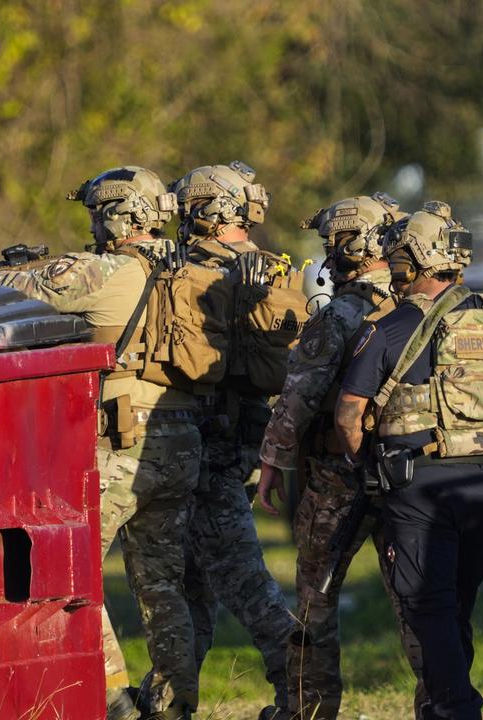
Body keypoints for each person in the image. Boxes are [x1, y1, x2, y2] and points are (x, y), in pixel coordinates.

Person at [0, 166, 203, 720]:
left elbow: (13, 288)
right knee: (162, 582)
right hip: (183, 435)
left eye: (98, 213)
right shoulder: (192, 269)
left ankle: (111, 696)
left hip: (122, 439)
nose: (93, 224)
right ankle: (174, 701)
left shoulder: (107, 270)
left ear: (120, 215)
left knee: (76, 572)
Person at [334, 202, 483, 720]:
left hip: (420, 487)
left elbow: (349, 413)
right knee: (457, 604)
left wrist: (365, 465)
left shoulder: (390, 326)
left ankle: (456, 708)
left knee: (428, 607)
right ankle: (447, 705)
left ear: (411, 262)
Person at [255, 193, 424, 719]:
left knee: (314, 600)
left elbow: (298, 398)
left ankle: (310, 710)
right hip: (408, 475)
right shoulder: (421, 309)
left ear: (341, 246)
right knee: (417, 601)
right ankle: (441, 702)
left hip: (338, 479)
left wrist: (272, 463)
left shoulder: (340, 315)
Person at [168, 162, 300, 720]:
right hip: (238, 440)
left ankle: (304, 691)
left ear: (202, 210)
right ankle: (173, 700)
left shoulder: (189, 273)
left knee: (241, 580)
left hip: (204, 447)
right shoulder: (270, 271)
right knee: (189, 583)